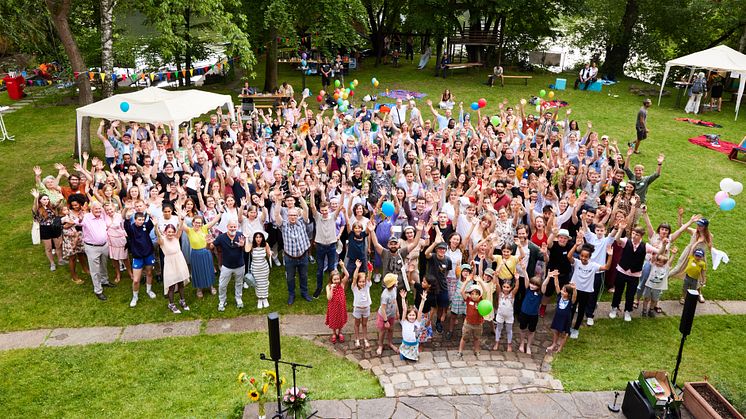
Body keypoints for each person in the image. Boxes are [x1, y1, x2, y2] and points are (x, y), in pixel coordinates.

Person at [609, 223, 662, 322]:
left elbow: (659, 252)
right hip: (621, 271)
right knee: (618, 292)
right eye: (633, 233)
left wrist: (663, 245)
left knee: (630, 294)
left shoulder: (645, 246)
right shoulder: (626, 241)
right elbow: (617, 239)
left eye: (637, 234)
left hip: (634, 275)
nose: (634, 236)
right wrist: (620, 229)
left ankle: (627, 311)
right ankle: (614, 308)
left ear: (641, 236)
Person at [566, 237, 612, 339]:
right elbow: (569, 256)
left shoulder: (593, 266)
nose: (583, 258)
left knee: (581, 310)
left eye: (586, 257)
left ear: (589, 257)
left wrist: (610, 255)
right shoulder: (577, 262)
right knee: (572, 309)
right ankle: (567, 327)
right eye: (582, 256)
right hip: (575, 290)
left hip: (586, 292)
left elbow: (606, 267)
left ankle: (576, 329)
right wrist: (576, 245)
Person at [273, 191, 312, 305]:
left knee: (303, 276)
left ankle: (304, 293)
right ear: (287, 216)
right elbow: (276, 214)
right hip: (289, 258)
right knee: (290, 278)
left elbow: (306, 209)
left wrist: (300, 196)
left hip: (303, 256)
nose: (293, 217)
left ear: (297, 215)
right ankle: (291, 294)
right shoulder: (283, 224)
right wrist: (279, 200)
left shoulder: (302, 221)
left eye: (295, 215)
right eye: (290, 215)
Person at [309, 186, 346, 298]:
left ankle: (334, 288)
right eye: (322, 210)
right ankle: (319, 289)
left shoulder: (333, 216)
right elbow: (312, 206)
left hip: (331, 246)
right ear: (320, 210)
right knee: (320, 270)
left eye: (326, 210)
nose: (324, 212)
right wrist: (312, 192)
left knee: (332, 269)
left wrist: (343, 193)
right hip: (320, 246)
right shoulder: (317, 216)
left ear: (329, 209)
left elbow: (340, 206)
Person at [79, 201, 116, 300]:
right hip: (92, 247)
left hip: (104, 246)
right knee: (95, 270)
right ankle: (98, 290)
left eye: (100, 209)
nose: (98, 210)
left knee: (104, 265)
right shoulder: (86, 217)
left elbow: (105, 206)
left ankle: (105, 281)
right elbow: (78, 221)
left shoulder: (102, 215)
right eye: (96, 209)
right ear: (91, 209)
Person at [153, 219, 190, 314]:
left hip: (179, 262)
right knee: (172, 285)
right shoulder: (162, 240)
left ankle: (182, 301)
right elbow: (158, 234)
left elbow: (180, 228)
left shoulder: (176, 238)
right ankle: (171, 304)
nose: (170, 234)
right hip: (170, 264)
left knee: (181, 283)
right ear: (165, 232)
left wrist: (181, 218)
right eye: (169, 232)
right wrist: (156, 226)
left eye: (172, 232)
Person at [212, 220, 246, 311]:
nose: (232, 228)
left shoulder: (240, 235)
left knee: (239, 283)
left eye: (234, 227)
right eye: (231, 227)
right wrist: (208, 243)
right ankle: (222, 301)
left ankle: (238, 299)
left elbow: (245, 250)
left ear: (237, 227)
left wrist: (242, 245)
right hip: (226, 266)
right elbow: (211, 246)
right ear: (227, 227)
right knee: (222, 285)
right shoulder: (221, 237)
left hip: (240, 265)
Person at [184, 214, 221, 298]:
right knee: (198, 270)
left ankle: (211, 286)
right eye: (196, 222)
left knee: (208, 269)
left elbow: (214, 221)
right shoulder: (189, 230)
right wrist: (181, 216)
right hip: (195, 254)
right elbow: (182, 225)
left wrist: (221, 212)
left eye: (200, 223)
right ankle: (199, 288)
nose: (198, 224)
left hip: (206, 252)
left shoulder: (204, 228)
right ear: (193, 223)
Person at [424, 233, 453, 334]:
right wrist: (434, 243)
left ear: (446, 250)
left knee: (441, 305)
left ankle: (438, 322)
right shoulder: (433, 257)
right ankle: (426, 321)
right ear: (436, 250)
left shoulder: (448, 260)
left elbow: (447, 271)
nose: (441, 251)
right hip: (431, 286)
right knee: (428, 305)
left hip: (443, 285)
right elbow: (426, 253)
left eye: (443, 249)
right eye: (439, 249)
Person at [31, 189, 63, 271]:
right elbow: (35, 207)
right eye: (44, 199)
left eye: (47, 199)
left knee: (58, 245)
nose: (46, 201)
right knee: (48, 248)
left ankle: (60, 260)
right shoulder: (37, 209)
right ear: (40, 200)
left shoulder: (50, 207)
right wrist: (36, 198)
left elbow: (56, 205)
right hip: (44, 229)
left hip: (54, 228)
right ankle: (52, 263)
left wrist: (60, 198)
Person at [456, 275, 488, 357]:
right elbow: (461, 291)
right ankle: (460, 351)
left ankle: (477, 351)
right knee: (464, 337)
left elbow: (485, 291)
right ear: (470, 294)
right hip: (468, 323)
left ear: (479, 295)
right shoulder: (468, 300)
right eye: (472, 294)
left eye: (476, 294)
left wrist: (480, 281)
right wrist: (466, 281)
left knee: (477, 338)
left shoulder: (481, 300)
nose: (474, 295)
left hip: (478, 324)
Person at [547, 281, 577, 354]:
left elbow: (574, 297)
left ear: (569, 294)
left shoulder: (570, 301)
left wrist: (574, 289)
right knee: (555, 331)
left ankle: (560, 347)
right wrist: (556, 278)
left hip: (565, 319)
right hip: (557, 317)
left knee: (564, 334)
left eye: (564, 291)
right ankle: (554, 344)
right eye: (562, 290)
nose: (562, 292)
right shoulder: (559, 297)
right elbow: (556, 285)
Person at [399, 287, 428, 362]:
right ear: (407, 316)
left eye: (413, 315)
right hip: (405, 344)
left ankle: (412, 355)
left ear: (416, 316)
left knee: (414, 359)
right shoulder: (404, 322)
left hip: (414, 344)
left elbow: (420, 310)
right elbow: (404, 309)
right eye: (410, 315)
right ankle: (403, 354)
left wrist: (423, 300)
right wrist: (403, 299)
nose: (412, 317)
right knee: (403, 357)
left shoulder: (417, 322)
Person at [325, 261, 350, 343]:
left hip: (341, 307)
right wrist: (331, 288)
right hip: (333, 307)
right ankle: (334, 333)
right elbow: (329, 297)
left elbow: (347, 275)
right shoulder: (328, 287)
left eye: (338, 279)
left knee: (340, 319)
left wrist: (343, 266)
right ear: (331, 280)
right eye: (334, 279)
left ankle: (340, 332)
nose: (336, 281)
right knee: (333, 320)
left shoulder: (342, 284)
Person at [641, 251, 671, 318]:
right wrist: (656, 253)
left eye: (660, 262)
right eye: (657, 261)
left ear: (664, 263)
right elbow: (654, 259)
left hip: (657, 288)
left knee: (654, 300)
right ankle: (644, 310)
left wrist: (673, 255)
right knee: (646, 299)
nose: (658, 263)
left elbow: (670, 263)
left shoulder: (665, 269)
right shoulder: (653, 266)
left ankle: (651, 310)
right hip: (649, 286)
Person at [246, 231, 271, 309]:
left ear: (262, 238)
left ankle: (265, 298)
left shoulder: (265, 245)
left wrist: (270, 253)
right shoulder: (252, 246)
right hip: (255, 269)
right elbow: (246, 250)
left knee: (264, 283)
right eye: (257, 237)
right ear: (254, 238)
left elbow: (268, 254)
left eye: (260, 237)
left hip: (264, 268)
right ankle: (260, 299)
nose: (258, 239)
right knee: (257, 284)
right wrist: (247, 238)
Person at [350, 260, 372, 349]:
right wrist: (357, 267)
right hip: (357, 309)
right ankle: (357, 339)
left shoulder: (367, 286)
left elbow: (369, 277)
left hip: (366, 308)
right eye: (360, 282)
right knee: (357, 324)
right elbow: (355, 278)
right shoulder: (354, 287)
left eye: (363, 281)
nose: (362, 283)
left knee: (364, 324)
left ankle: (365, 338)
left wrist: (370, 270)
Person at [376, 273, 399, 356]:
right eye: (396, 281)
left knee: (391, 329)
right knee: (382, 331)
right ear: (392, 284)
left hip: (391, 315)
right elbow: (383, 309)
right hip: (384, 316)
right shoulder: (385, 295)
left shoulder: (395, 289)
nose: (397, 281)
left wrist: (397, 311)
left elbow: (395, 300)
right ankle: (380, 345)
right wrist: (385, 321)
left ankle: (390, 343)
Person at [493, 278, 518, 351]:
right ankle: (497, 342)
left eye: (508, 287)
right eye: (504, 287)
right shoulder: (500, 294)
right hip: (500, 315)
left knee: (509, 330)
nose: (506, 289)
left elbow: (516, 287)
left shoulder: (512, 295)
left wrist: (517, 279)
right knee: (498, 328)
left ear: (510, 288)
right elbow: (497, 285)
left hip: (509, 316)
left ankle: (509, 344)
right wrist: (496, 276)